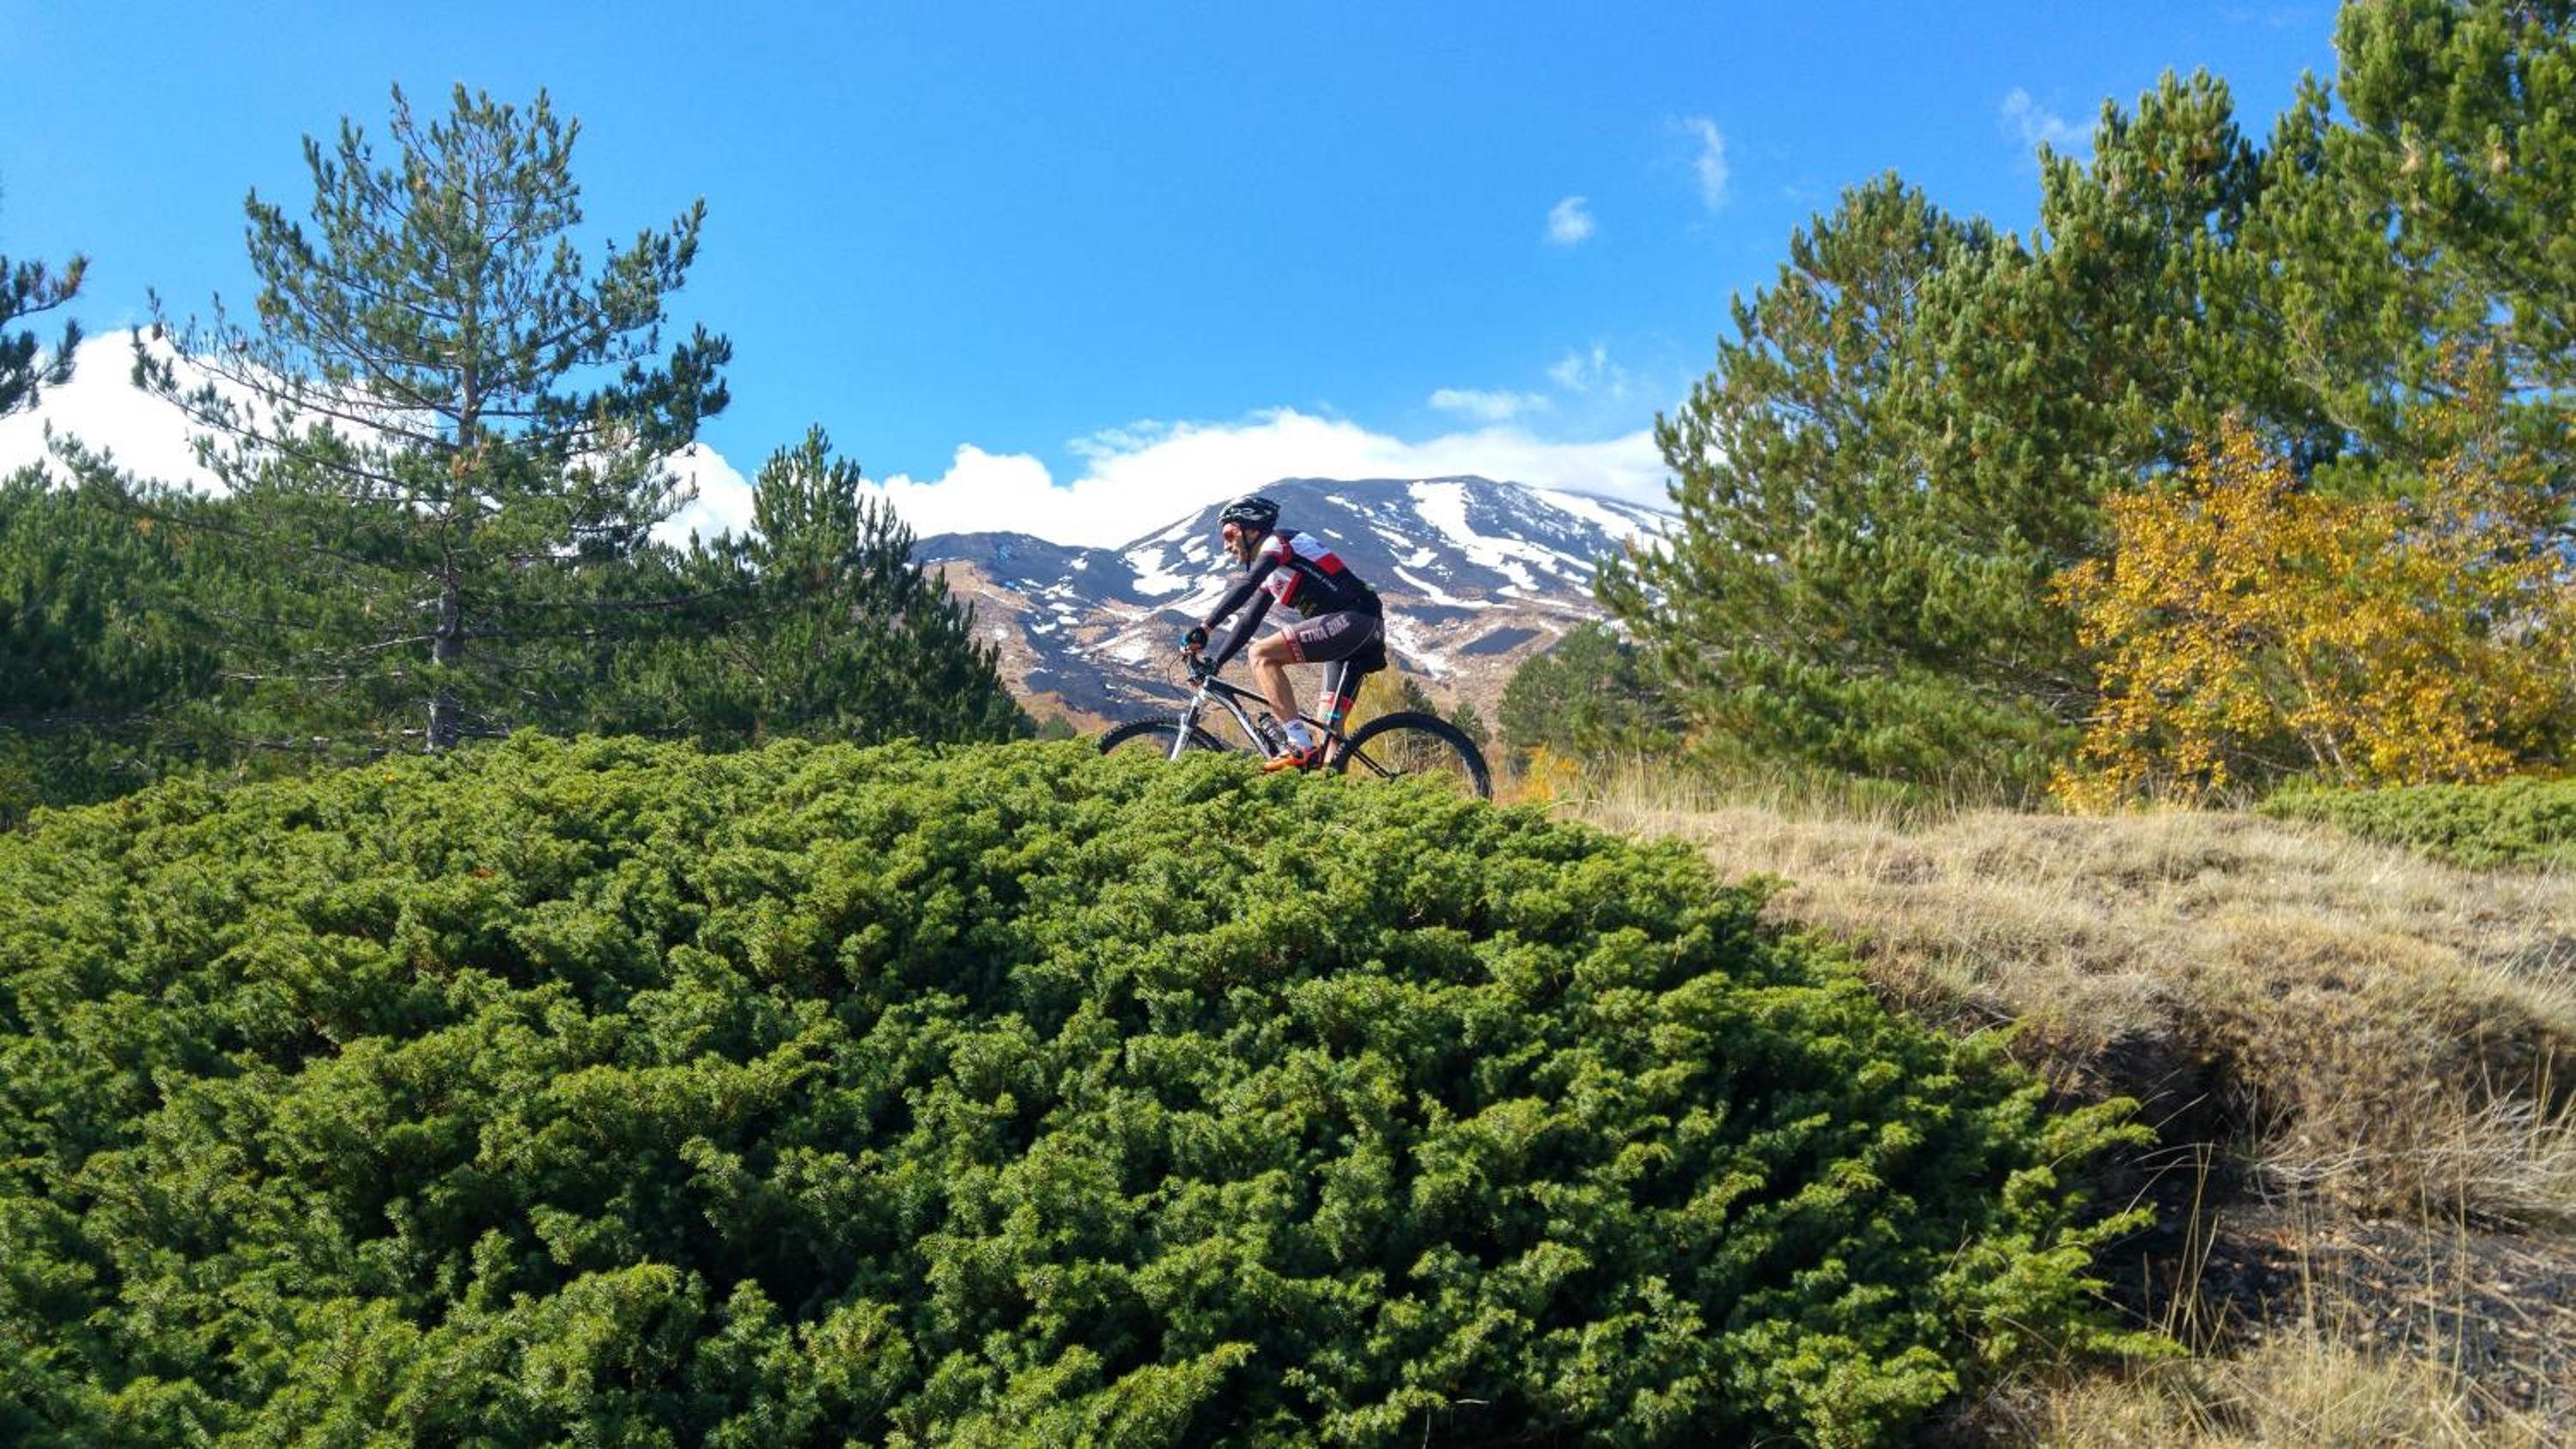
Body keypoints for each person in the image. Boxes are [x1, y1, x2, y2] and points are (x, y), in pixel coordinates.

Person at [1181, 494, 1385, 771]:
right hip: (1360, 632)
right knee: (1328, 735)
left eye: (1229, 535)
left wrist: (1206, 627)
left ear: (1251, 530)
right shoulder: (1274, 569)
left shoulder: (1277, 543)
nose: (1226, 546)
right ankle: (1335, 791)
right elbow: (1248, 621)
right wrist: (1216, 664)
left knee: (1261, 654)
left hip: (1355, 621)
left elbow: (1247, 584)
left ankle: (1298, 743)